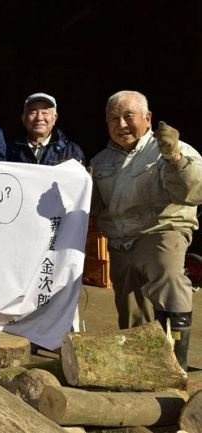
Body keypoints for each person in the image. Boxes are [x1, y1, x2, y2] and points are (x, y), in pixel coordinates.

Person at [90, 90, 202, 370]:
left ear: (147, 118)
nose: (122, 124)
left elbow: (191, 192)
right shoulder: (101, 161)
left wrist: (174, 157)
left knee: (168, 277)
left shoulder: (167, 147)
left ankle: (177, 364)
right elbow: (91, 206)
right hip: (120, 240)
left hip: (162, 230)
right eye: (113, 118)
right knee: (130, 309)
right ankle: (141, 368)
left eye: (129, 116)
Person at [7, 93, 85, 165]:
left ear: (54, 119)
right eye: (33, 113)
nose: (39, 118)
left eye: (45, 113)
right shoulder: (9, 150)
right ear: (23, 119)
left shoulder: (71, 151)